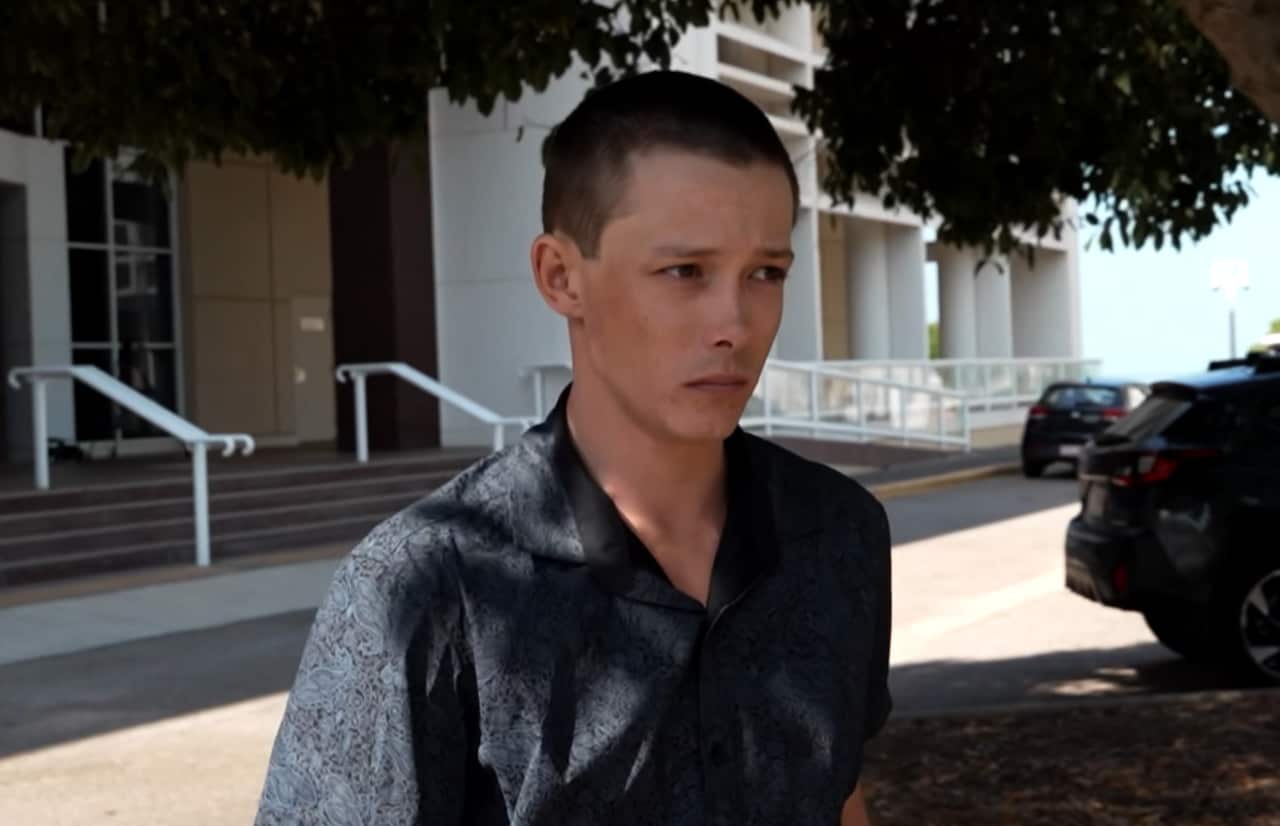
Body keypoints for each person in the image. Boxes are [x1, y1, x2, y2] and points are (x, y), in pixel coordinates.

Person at [255, 69, 892, 826]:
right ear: (562, 277)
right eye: (684, 271)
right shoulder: (426, 586)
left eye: (765, 273)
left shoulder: (838, 532)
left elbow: (838, 793)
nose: (735, 322)